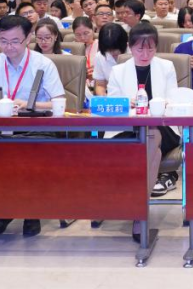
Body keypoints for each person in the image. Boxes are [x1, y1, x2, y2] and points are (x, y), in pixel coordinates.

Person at [0, 15, 66, 238]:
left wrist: (28, 104)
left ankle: (31, 212)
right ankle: (2, 211)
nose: (9, 47)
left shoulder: (43, 64)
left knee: (27, 154)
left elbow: (59, 102)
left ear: (28, 39)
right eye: (3, 41)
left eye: (15, 41)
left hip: (36, 128)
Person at [105, 22, 182, 214]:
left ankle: (134, 203)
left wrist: (157, 104)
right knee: (153, 149)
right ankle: (141, 208)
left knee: (152, 132)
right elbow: (113, 106)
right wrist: (126, 103)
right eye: (140, 49)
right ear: (130, 47)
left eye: (151, 49)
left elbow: (172, 100)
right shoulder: (118, 71)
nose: (146, 54)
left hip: (163, 127)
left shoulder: (166, 67)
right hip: (128, 129)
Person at [93, 23, 129, 96]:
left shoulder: (134, 53)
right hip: (112, 97)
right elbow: (100, 85)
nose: (113, 52)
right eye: (109, 49)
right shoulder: (100, 56)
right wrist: (103, 97)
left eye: (116, 48)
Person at [70, 16, 98, 95]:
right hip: (76, 89)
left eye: (86, 33)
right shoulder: (71, 48)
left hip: (98, 85)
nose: (82, 38)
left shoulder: (101, 45)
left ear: (93, 30)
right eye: (78, 35)